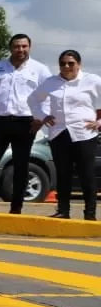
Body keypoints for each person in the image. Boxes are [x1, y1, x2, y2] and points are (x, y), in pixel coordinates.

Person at [0, 33, 51, 214]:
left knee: (21, 167)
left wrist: (40, 119)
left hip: (26, 123)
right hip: (0, 122)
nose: (20, 50)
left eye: (24, 46)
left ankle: (16, 208)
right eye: (17, 46)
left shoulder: (39, 69)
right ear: (11, 48)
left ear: (29, 48)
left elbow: (49, 96)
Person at [27, 49, 101, 220]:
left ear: (79, 64)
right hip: (59, 133)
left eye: (71, 63)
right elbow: (33, 100)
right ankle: (63, 210)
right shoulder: (51, 82)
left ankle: (89, 213)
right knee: (63, 173)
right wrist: (43, 116)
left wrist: (98, 123)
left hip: (84, 134)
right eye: (62, 63)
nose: (66, 66)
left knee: (87, 174)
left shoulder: (92, 80)